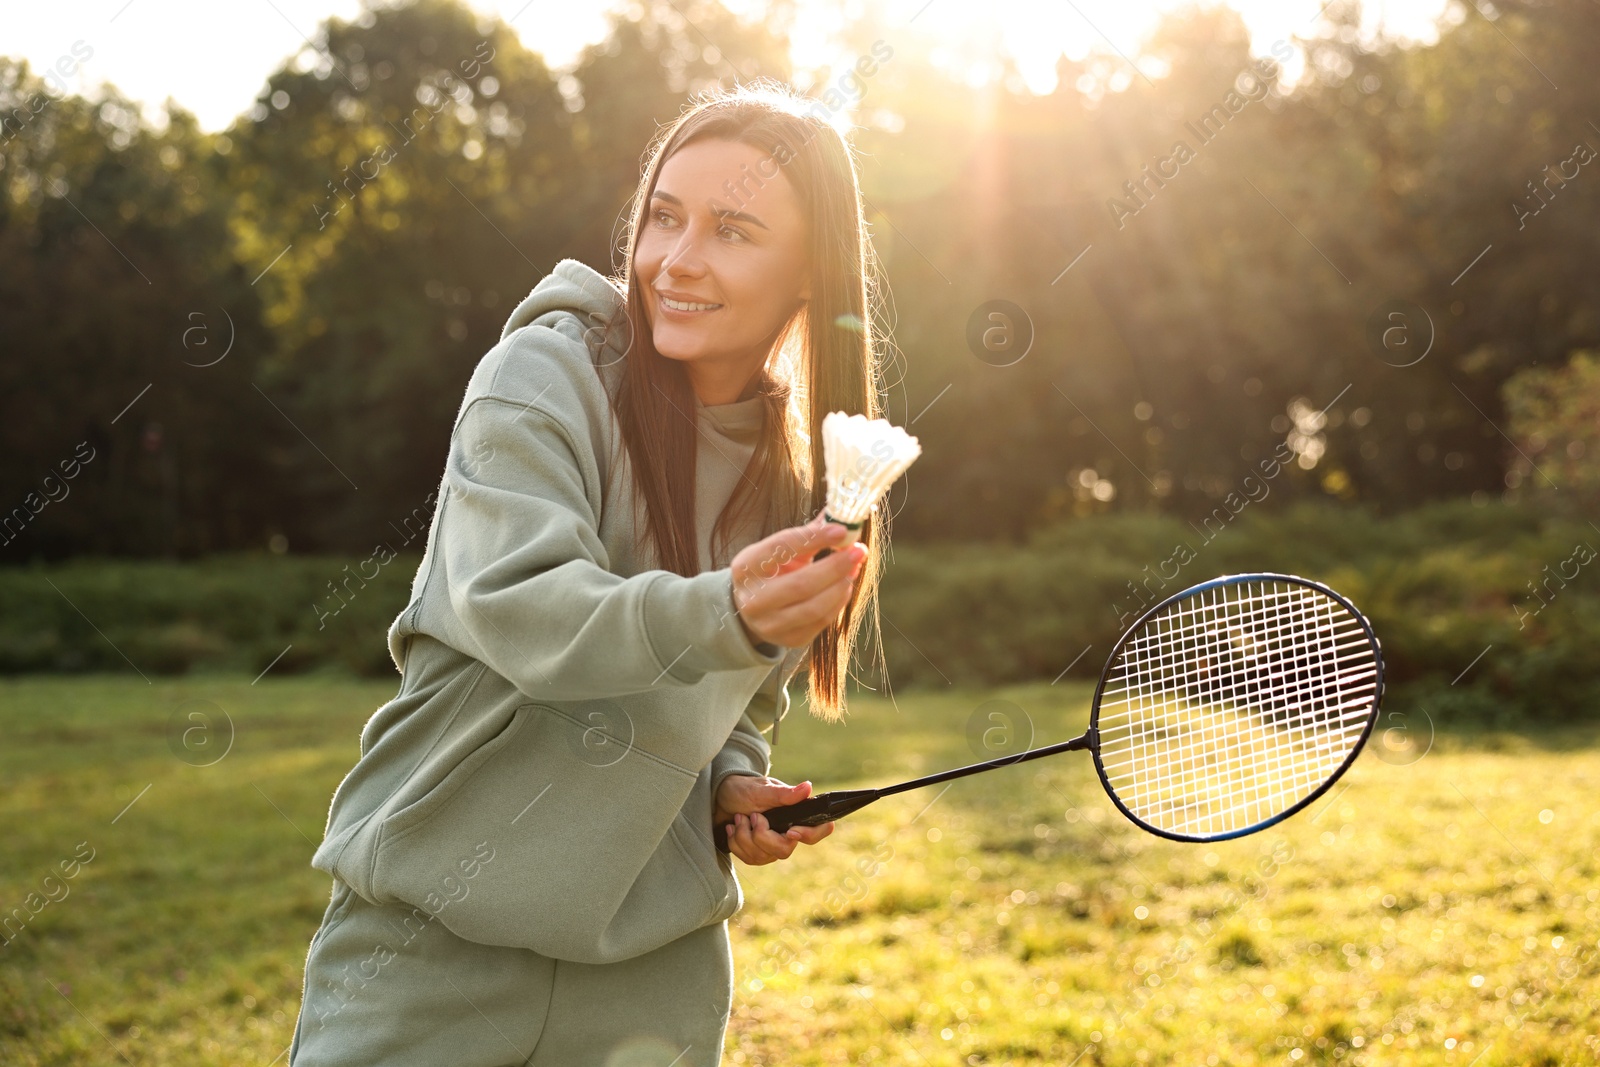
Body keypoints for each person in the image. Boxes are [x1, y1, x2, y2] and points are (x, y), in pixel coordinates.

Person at [288, 78, 895, 1067]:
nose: (675, 260)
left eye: (733, 231)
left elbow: (739, 696)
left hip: (649, 985)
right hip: (426, 956)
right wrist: (725, 608)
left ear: (807, 275)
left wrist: (733, 781)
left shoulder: (795, 476)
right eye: (664, 216)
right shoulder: (541, 375)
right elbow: (524, 607)